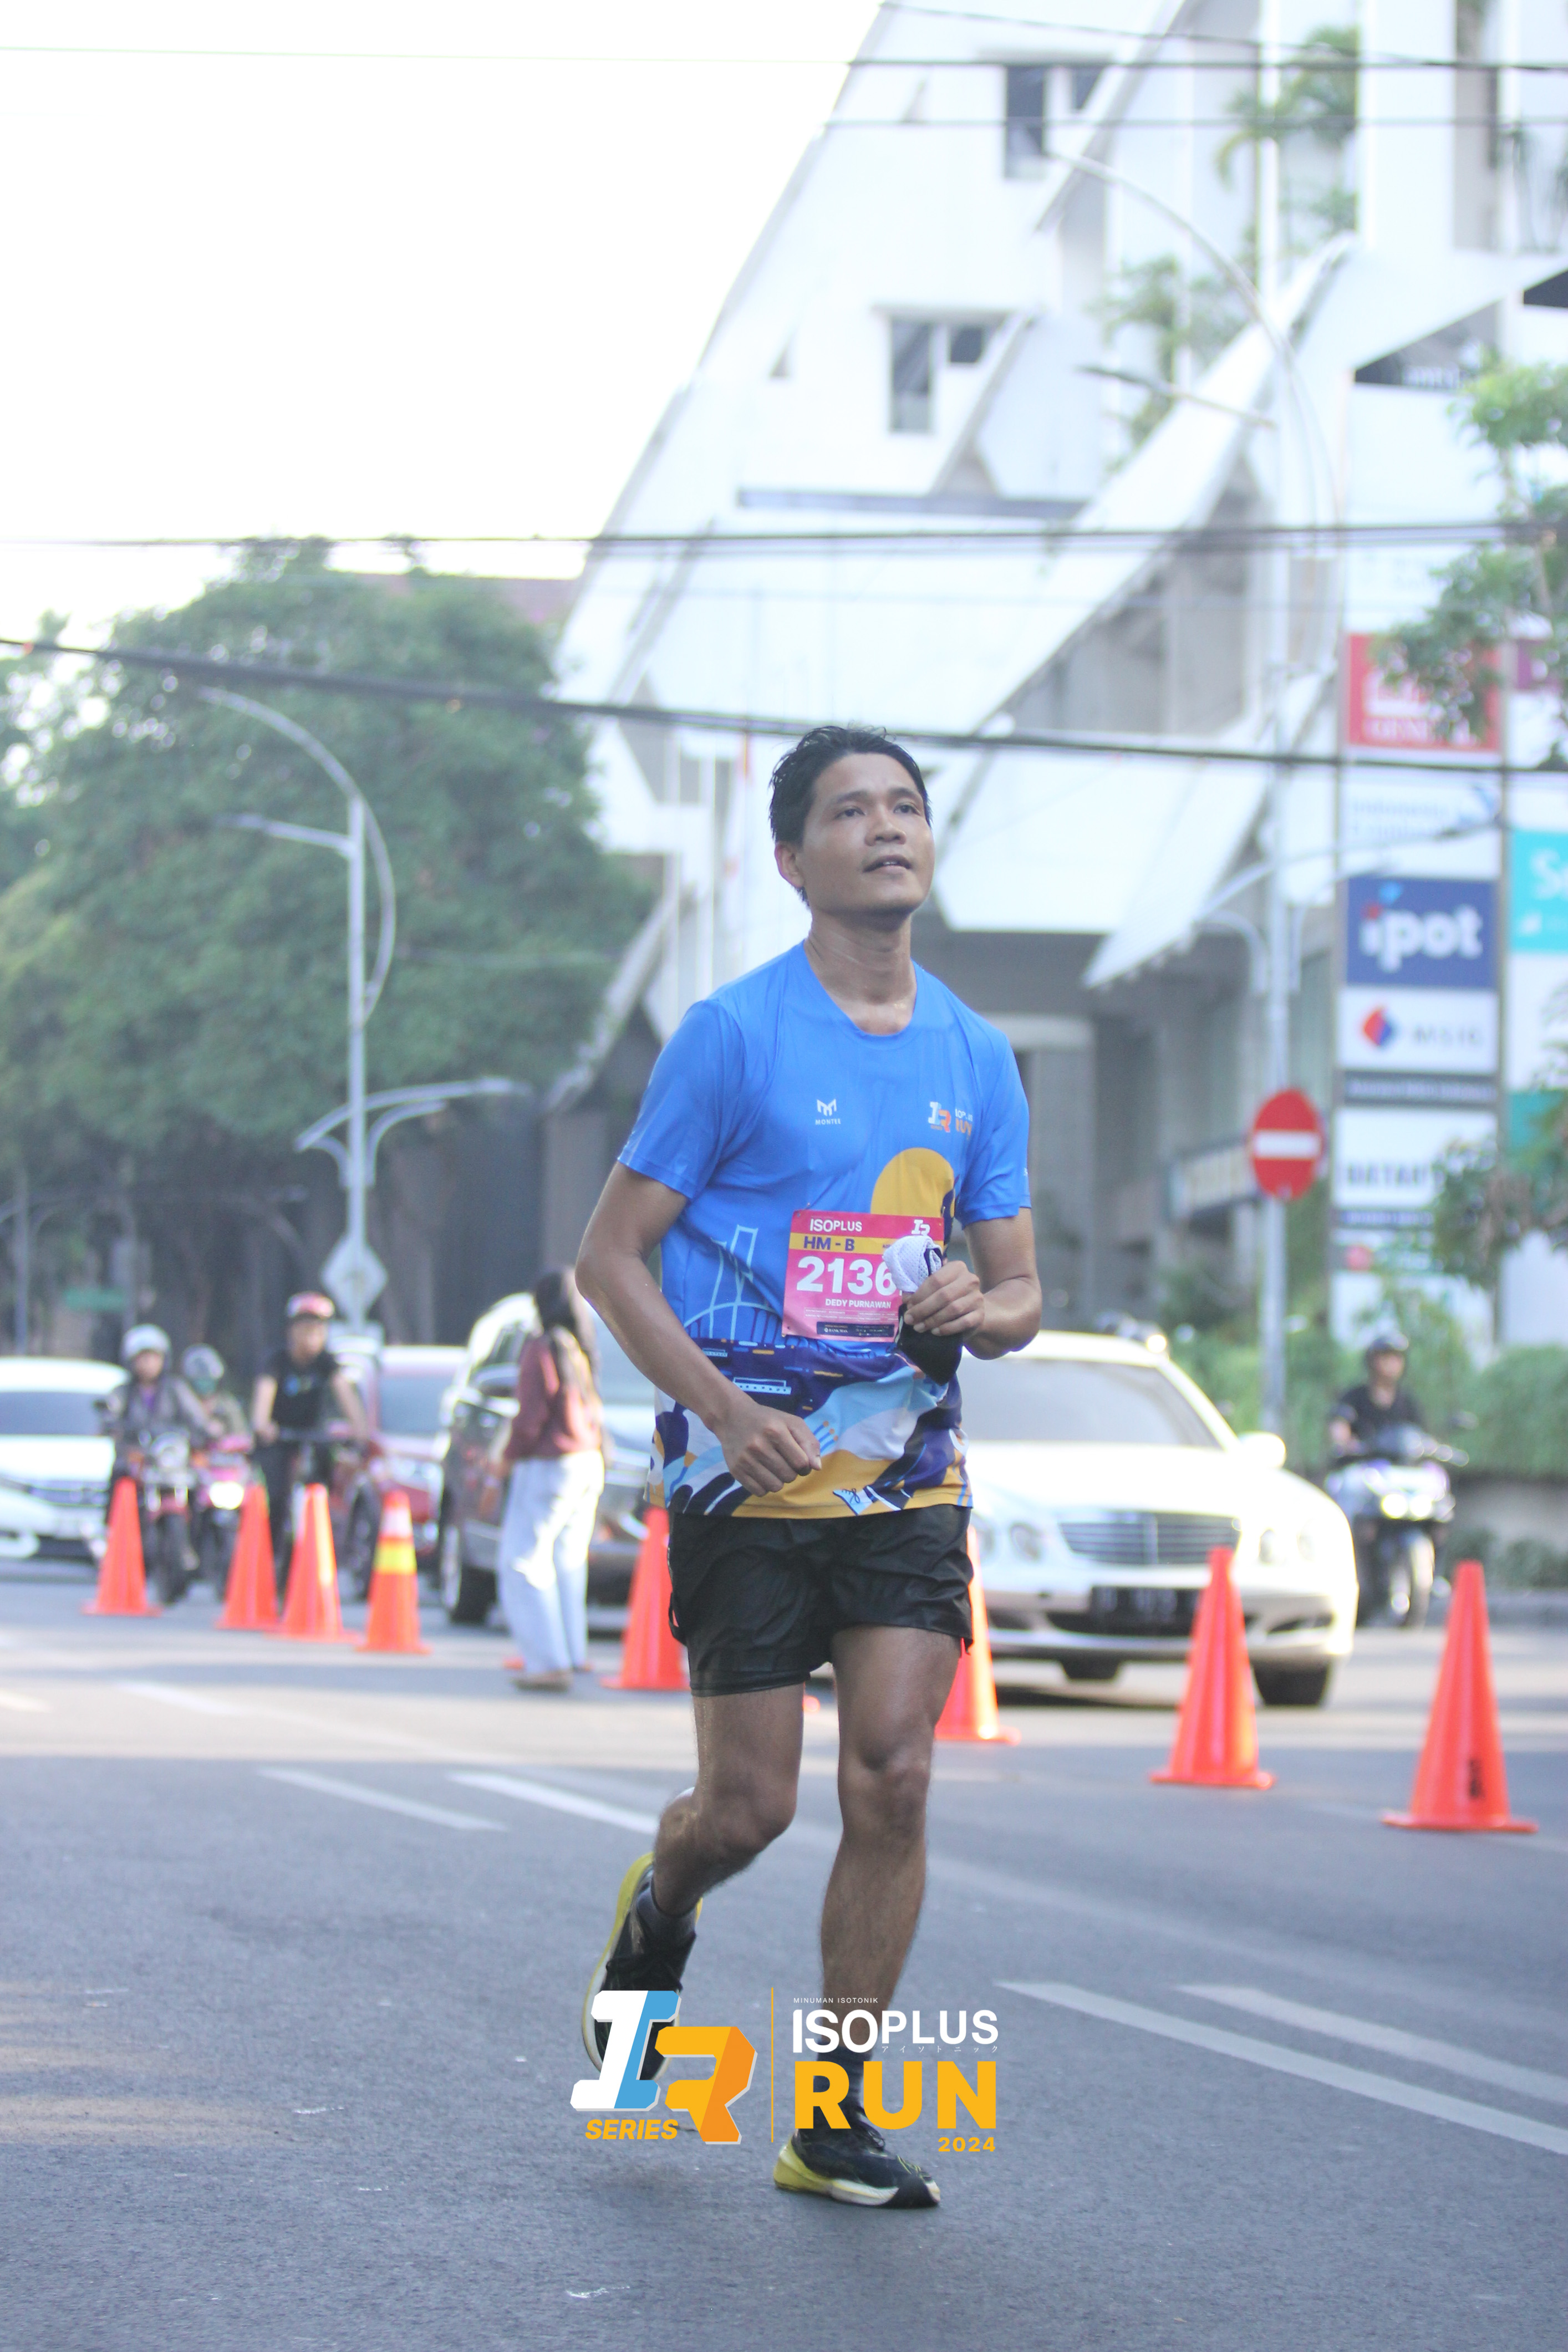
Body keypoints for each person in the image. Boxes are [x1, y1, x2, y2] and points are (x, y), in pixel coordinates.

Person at [576, 723, 1040, 2211]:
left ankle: (830, 2120)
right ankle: (660, 1909)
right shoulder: (731, 1036)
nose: (886, 827)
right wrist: (721, 1412)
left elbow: (1023, 1290)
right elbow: (609, 1258)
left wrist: (980, 1305)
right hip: (747, 1470)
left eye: (906, 806)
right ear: (791, 859)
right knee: (747, 1812)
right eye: (850, 811)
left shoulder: (976, 1054)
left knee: (894, 1773)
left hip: (904, 1467)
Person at [496, 1267, 605, 1692]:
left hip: (550, 1463)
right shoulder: (580, 1347)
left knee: (522, 1561)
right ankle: (571, 1653)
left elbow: (530, 1418)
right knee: (567, 1561)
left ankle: (546, 1663)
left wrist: (506, 1459)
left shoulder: (542, 1347)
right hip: (588, 1461)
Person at [251, 1292, 368, 1584]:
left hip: (314, 1439)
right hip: (280, 1438)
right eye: (305, 1329)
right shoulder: (277, 1361)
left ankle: (318, 1553)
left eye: (318, 1330)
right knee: (276, 1496)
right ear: (292, 1331)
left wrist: (359, 1432)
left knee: (322, 1490)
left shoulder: (327, 1363)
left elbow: (347, 1398)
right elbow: (263, 1400)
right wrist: (263, 1425)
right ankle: (271, 1554)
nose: (311, 1336)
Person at [105, 1325, 214, 1472]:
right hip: (136, 1462)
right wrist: (114, 1427)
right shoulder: (124, 1392)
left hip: (172, 1460)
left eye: (154, 1357)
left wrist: (208, 1430)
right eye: (143, 1357)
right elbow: (112, 1413)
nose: (149, 1363)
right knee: (122, 1482)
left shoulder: (176, 1389)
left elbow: (196, 1417)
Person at [1329, 1332, 1424, 1455]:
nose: (1392, 1363)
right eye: (1386, 1356)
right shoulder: (1353, 1398)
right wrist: (1345, 1443)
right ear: (1372, 1360)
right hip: (1364, 1464)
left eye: (1397, 1357)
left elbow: (1420, 1437)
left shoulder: (1408, 1402)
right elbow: (1340, 1429)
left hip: (1401, 1465)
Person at [181, 1345, 250, 1438]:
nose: (205, 1384)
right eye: (200, 1379)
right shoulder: (182, 1403)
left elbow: (242, 1436)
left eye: (209, 1379)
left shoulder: (228, 1404)